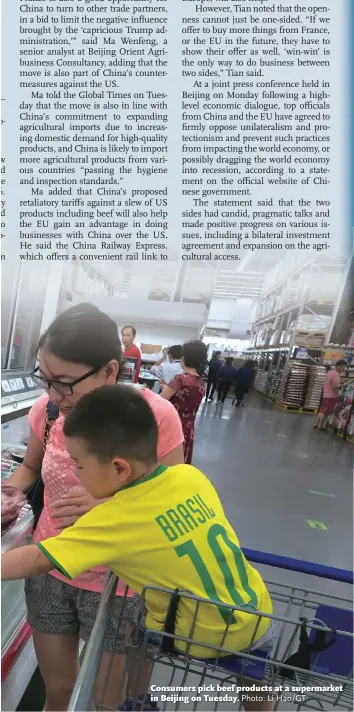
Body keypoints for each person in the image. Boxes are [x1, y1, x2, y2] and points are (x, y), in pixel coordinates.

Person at [2, 385, 275, 712]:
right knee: (254, 677)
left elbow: (38, 557)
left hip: (201, 634)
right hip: (255, 611)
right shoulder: (189, 476)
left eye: (79, 465)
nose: (74, 473)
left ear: (119, 468)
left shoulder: (116, 519)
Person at [6, 304, 184, 712]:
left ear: (109, 370)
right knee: (58, 690)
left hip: (124, 585)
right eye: (46, 379)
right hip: (50, 572)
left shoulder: (154, 417)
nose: (54, 394)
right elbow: (30, 467)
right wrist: (11, 492)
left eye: (66, 383)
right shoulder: (46, 411)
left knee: (110, 701)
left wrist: (108, 504)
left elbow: (172, 498)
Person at [161, 340, 207, 464]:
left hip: (172, 427)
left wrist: (165, 389)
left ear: (184, 358)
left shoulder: (179, 379)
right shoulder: (201, 382)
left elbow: (160, 401)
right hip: (187, 429)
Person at [314, 360, 347, 430]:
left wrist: (340, 382)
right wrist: (344, 384)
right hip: (331, 395)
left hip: (326, 394)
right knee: (325, 412)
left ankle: (316, 424)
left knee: (322, 410)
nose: (344, 369)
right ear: (339, 366)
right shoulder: (336, 374)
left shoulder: (330, 372)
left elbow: (330, 383)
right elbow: (335, 386)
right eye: (343, 367)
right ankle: (320, 426)